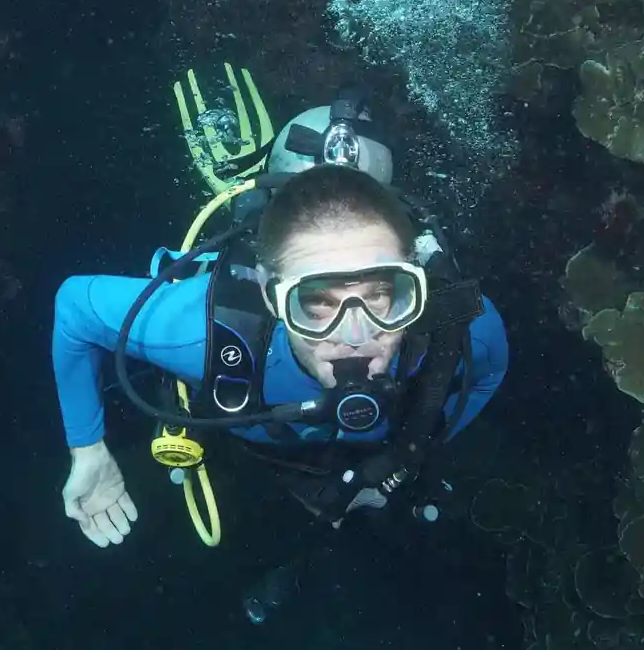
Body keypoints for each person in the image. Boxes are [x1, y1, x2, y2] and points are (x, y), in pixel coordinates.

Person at [50, 92, 509, 548]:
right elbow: (75, 307)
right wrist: (89, 449)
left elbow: (491, 370)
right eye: (316, 303)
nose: (356, 337)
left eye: (384, 294)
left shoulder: (462, 330)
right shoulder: (203, 333)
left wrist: (413, 448)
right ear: (272, 297)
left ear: (417, 285)